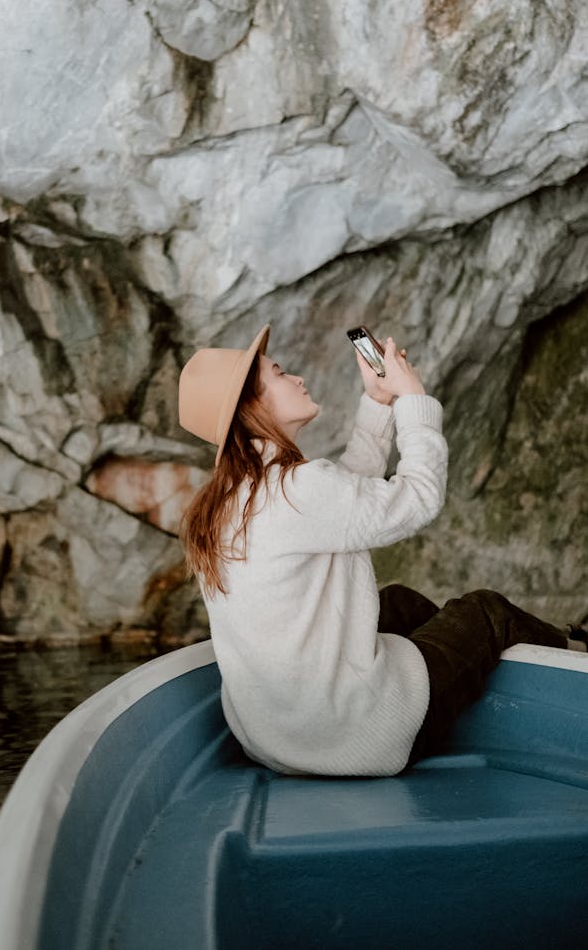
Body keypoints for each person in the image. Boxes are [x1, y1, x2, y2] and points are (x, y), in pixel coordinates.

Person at [177, 324, 588, 777]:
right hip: (356, 736)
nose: (296, 378)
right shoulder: (298, 489)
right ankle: (578, 652)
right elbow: (419, 497)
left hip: (279, 742)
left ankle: (452, 687)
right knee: (487, 613)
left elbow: (346, 502)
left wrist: (377, 401)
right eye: (279, 372)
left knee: (400, 603)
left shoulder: (229, 502)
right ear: (251, 406)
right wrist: (413, 398)